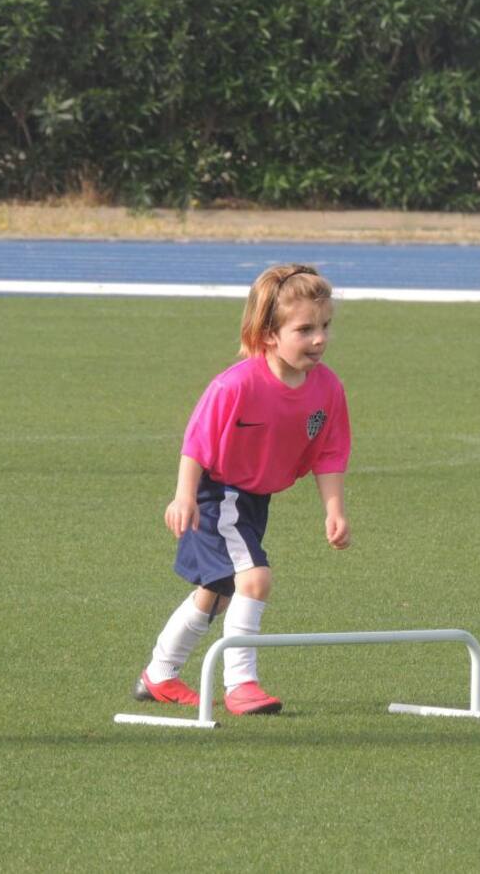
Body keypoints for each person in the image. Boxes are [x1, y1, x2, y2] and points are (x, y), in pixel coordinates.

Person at [133, 263, 351, 715]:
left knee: (215, 593)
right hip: (219, 494)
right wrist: (184, 496)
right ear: (270, 334)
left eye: (325, 326)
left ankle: (159, 675)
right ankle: (241, 684)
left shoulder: (327, 388)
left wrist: (334, 510)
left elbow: (329, 452)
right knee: (254, 579)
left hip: (253, 500)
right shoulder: (236, 385)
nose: (319, 339)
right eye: (305, 329)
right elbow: (197, 443)